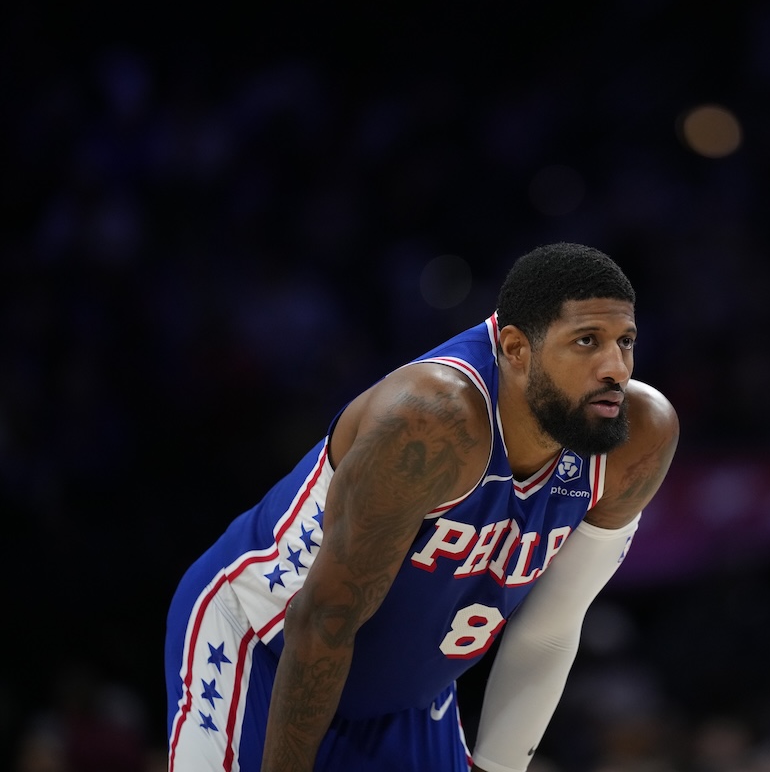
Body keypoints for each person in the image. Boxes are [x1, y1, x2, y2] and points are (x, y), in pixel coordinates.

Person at [164, 242, 679, 772]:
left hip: (407, 693)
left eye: (626, 341)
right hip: (265, 645)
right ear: (516, 348)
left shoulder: (638, 435)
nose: (615, 367)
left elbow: (550, 627)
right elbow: (323, 621)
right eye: (587, 342)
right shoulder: (433, 419)